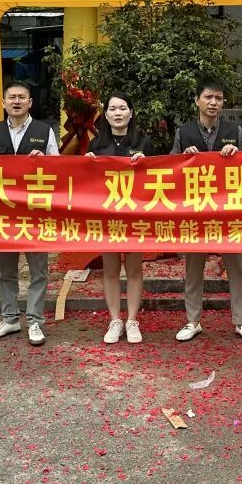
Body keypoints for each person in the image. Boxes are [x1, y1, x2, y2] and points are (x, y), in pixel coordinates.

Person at [170, 78, 242, 344]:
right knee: (193, 267)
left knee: (236, 267)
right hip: (196, 210)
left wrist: (238, 153)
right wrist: (183, 158)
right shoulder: (184, 132)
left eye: (218, 98)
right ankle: (193, 321)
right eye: (208, 97)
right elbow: (170, 169)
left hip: (228, 210)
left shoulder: (234, 130)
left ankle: (241, 322)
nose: (213, 103)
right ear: (197, 100)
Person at [0, 80, 59, 347]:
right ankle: (10, 318)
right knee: (6, 270)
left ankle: (35, 321)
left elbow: (60, 170)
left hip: (35, 213)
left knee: (38, 271)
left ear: (30, 102)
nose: (16, 101)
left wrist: (44, 162)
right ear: (3, 103)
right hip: (4, 213)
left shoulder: (44, 131)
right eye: (11, 97)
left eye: (21, 97)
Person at [85, 92, 154, 344]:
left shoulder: (144, 142)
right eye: (112, 109)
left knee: (134, 270)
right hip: (107, 216)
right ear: (105, 115)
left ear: (131, 113)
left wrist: (146, 163)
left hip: (135, 216)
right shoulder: (96, 145)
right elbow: (86, 183)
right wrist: (86, 164)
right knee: (111, 270)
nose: (117, 113)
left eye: (123, 108)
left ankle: (132, 320)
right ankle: (115, 320)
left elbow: (158, 179)